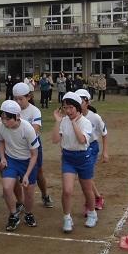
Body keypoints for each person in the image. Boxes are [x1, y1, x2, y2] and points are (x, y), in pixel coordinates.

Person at [52, 92, 96, 233]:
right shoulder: (63, 121)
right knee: (67, 190)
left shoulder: (86, 122)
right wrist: (58, 121)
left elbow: (82, 140)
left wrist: (73, 123)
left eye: (71, 107)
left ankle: (92, 213)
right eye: (65, 108)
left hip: (84, 158)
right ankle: (67, 218)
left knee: (87, 189)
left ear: (77, 107)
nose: (68, 111)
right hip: (68, 158)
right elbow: (55, 140)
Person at [0, 100, 39, 231]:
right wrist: (3, 158)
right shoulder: (0, 126)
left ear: (17, 117)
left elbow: (34, 155)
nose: (4, 122)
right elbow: (0, 140)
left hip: (28, 162)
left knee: (28, 193)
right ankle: (13, 215)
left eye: (8, 119)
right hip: (11, 160)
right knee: (6, 187)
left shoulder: (28, 129)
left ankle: (28, 213)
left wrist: (26, 175)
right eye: (2, 118)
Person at [13, 82, 53, 208]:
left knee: (38, 172)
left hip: (33, 145)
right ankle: (20, 200)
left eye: (21, 99)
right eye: (15, 99)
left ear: (29, 97)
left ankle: (45, 195)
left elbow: (34, 130)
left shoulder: (34, 111)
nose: (18, 102)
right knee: (14, 174)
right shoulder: (12, 110)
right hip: (16, 145)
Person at [76, 89, 108, 212]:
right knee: (83, 176)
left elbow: (104, 133)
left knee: (85, 176)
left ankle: (90, 202)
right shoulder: (73, 117)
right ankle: (97, 197)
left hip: (91, 148)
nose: (79, 104)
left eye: (81, 101)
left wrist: (105, 152)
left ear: (87, 102)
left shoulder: (95, 117)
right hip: (79, 148)